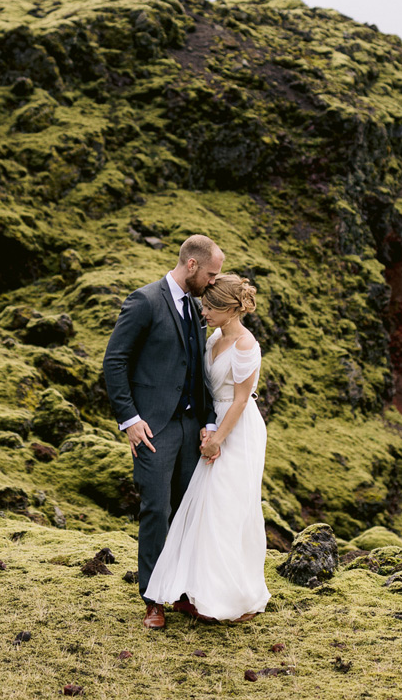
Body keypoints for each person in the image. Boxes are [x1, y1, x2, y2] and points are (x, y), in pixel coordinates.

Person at [103, 235, 224, 630]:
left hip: (192, 429)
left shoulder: (195, 306)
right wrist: (130, 419)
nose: (213, 281)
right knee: (157, 510)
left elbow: (200, 372)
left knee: (191, 512)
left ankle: (186, 594)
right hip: (154, 428)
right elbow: (115, 362)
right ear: (192, 265)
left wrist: (208, 423)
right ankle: (153, 598)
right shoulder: (144, 301)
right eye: (211, 273)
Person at [143, 272, 270, 623]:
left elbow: (241, 401)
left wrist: (218, 439)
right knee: (206, 508)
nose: (204, 311)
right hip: (215, 425)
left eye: (211, 307)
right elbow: (209, 391)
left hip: (239, 431)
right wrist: (208, 427)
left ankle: (234, 596)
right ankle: (203, 592)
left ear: (231, 309)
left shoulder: (246, 345)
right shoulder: (214, 337)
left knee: (229, 507)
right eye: (204, 304)